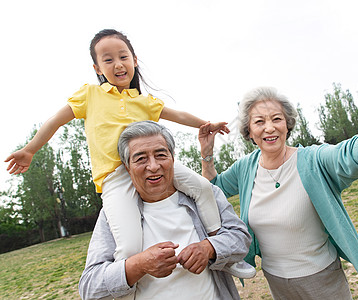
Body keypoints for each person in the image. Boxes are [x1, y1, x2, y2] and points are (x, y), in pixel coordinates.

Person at [4, 29, 254, 279]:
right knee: (130, 243)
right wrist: (29, 149)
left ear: (134, 60)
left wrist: (206, 124)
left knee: (202, 187)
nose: (118, 64)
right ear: (98, 68)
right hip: (115, 176)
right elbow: (55, 121)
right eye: (108, 59)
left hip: (153, 165)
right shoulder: (90, 95)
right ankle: (125, 287)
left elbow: (177, 115)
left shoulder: (143, 101)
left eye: (123, 56)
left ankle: (222, 253)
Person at [198, 86, 358, 300]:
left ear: (288, 124)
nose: (269, 128)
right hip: (276, 280)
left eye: (277, 118)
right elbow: (212, 192)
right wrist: (206, 154)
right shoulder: (246, 168)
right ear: (249, 132)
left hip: (321, 279)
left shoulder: (313, 160)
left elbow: (352, 152)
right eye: (259, 122)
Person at [79, 120, 251, 299]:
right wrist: (139, 265)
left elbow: (240, 238)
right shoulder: (113, 215)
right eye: (140, 159)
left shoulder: (206, 195)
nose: (153, 166)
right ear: (127, 168)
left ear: (173, 159)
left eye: (160, 155)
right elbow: (89, 287)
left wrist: (209, 248)